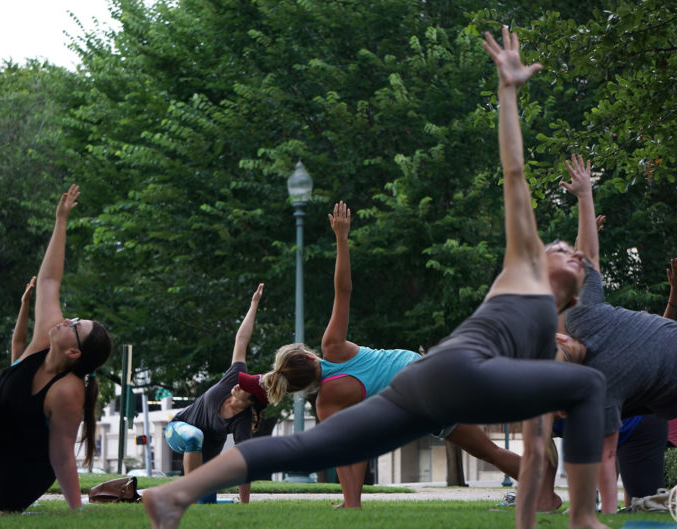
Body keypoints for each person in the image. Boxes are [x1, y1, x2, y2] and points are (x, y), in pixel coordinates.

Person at [144, 28, 609, 529]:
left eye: (572, 254)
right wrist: (508, 91)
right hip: (447, 372)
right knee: (583, 386)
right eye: (558, 246)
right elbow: (514, 174)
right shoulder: (523, 267)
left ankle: (177, 494)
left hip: (427, 387)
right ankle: (582, 517)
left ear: (575, 285)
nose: (565, 249)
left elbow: (539, 433)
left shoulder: (549, 324)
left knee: (316, 444)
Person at [263, 200, 557, 510]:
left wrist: (352, 502)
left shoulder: (326, 404)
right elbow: (343, 290)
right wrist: (341, 239)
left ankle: (544, 485)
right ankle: (545, 491)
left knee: (486, 451)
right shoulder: (333, 347)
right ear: (309, 357)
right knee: (488, 448)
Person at [542, 151, 677, 513]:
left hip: (642, 417)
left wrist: (585, 199)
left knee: (642, 503)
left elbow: (586, 259)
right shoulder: (589, 384)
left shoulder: (583, 318)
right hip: (638, 404)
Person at [0, 185, 113, 513]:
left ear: (74, 353)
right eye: (74, 318)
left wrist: (76, 509)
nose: (68, 320)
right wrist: (61, 221)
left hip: (16, 479)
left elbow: (62, 453)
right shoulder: (43, 340)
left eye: (76, 326)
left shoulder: (68, 390)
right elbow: (50, 282)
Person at [164, 283, 268, 504]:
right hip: (178, 430)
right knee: (195, 436)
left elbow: (244, 463)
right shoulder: (234, 376)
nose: (239, 385)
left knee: (207, 504)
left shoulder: (242, 421)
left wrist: (245, 503)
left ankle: (202, 499)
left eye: (245, 389)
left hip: (207, 460)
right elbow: (242, 341)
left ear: (250, 402)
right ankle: (185, 495)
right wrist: (254, 304)